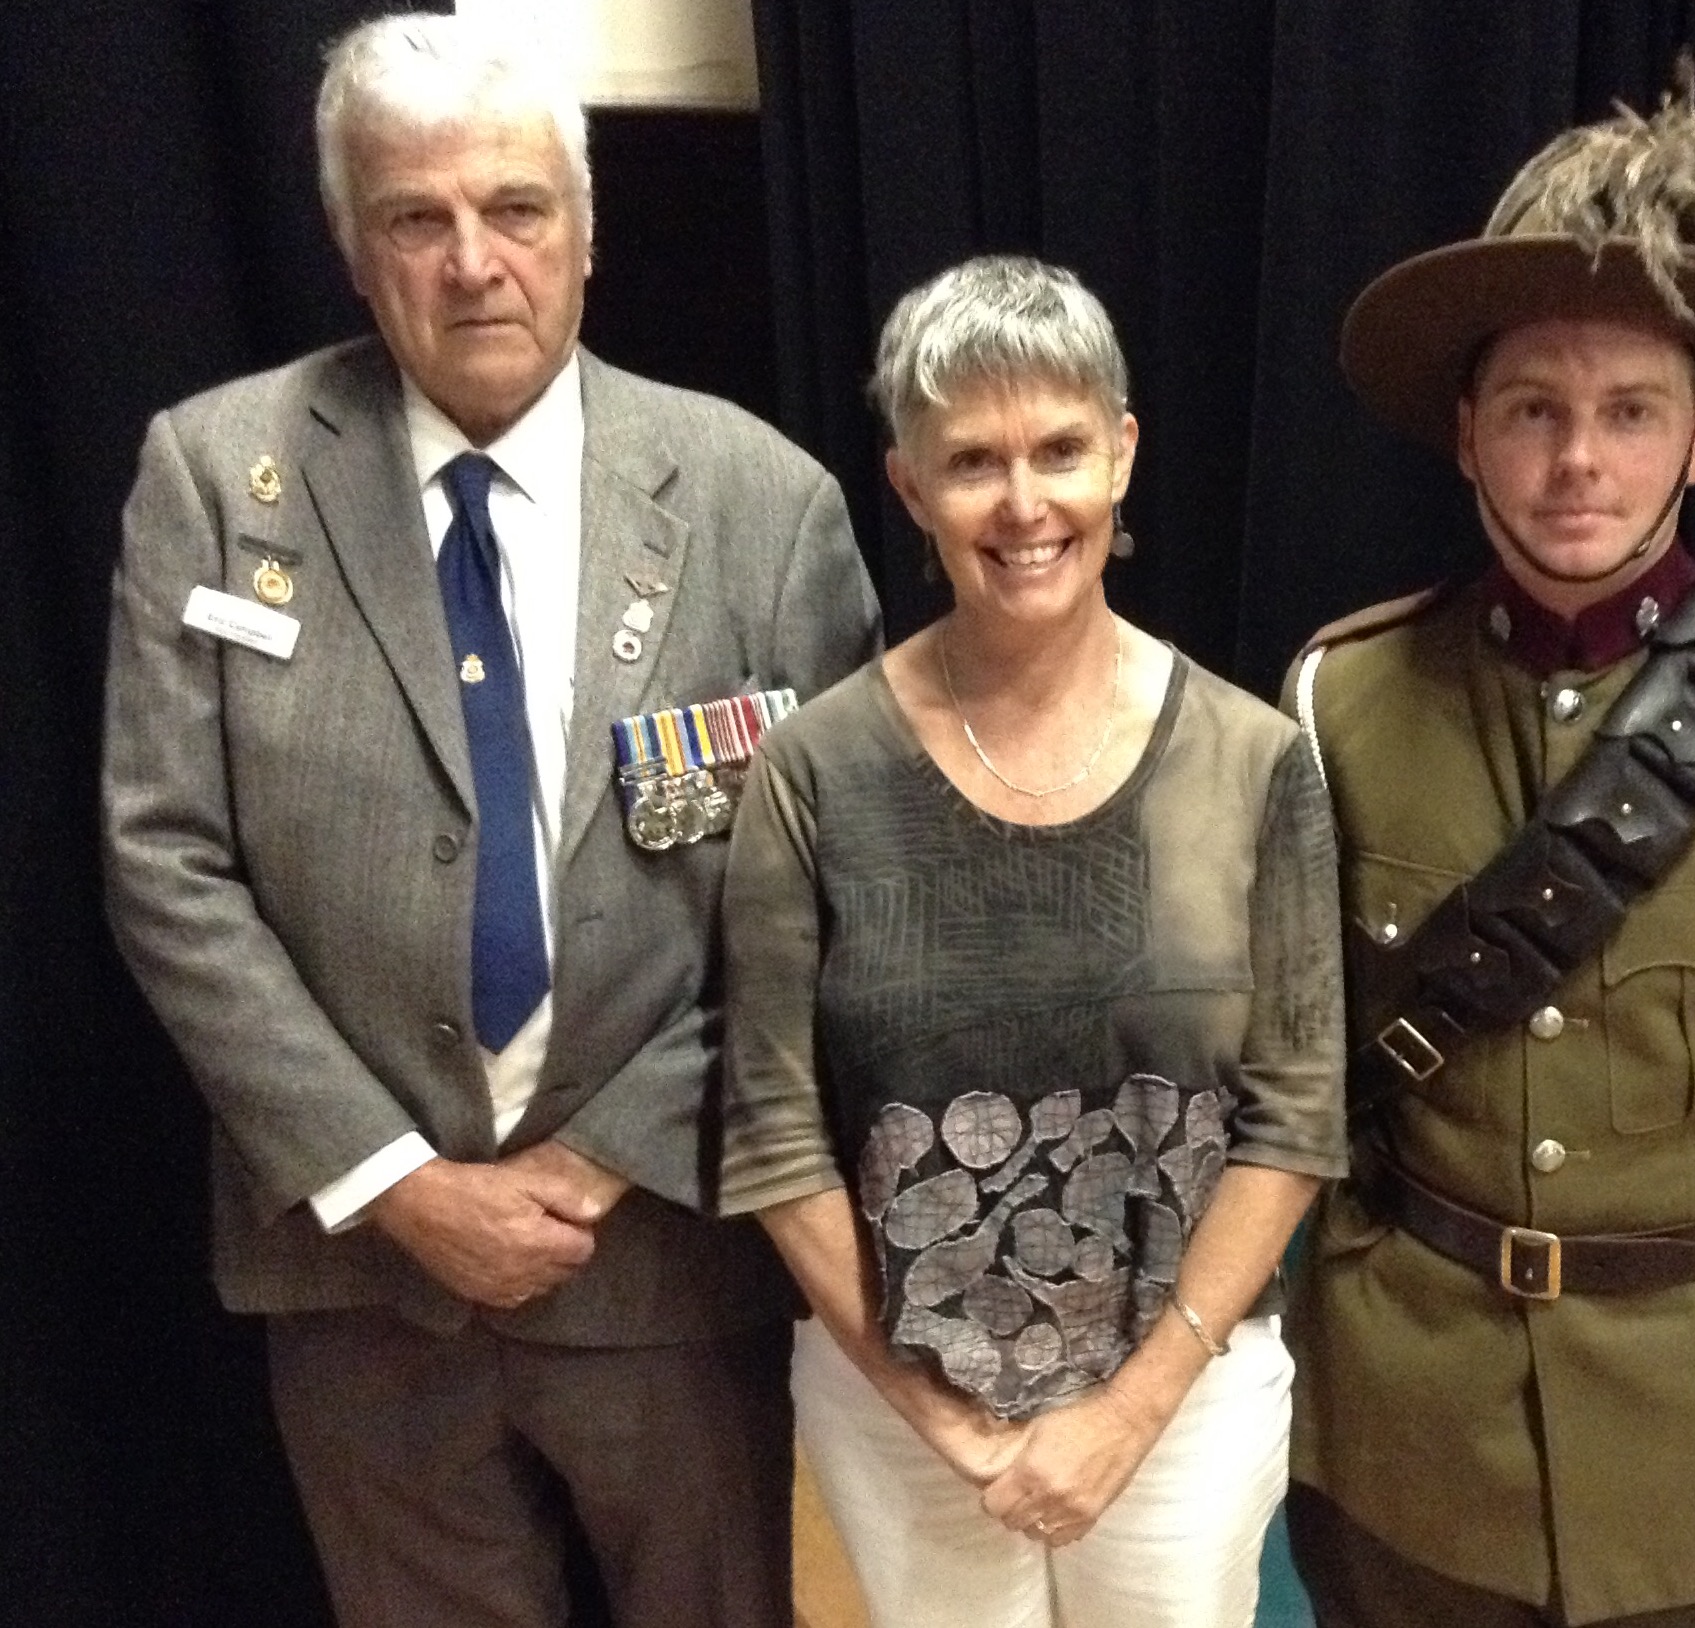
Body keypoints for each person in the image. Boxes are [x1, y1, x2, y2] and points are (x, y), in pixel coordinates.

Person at [101, 15, 878, 1628]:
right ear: (352, 247)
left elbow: (828, 891)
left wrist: (600, 1161)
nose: (473, 263)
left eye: (515, 208)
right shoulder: (216, 475)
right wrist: (393, 1180)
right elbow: (164, 858)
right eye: (417, 217)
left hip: (666, 1257)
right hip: (360, 1279)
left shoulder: (762, 501)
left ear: (584, 232)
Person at [1282, 41, 1695, 1628]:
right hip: (1413, 1427)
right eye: (1533, 409)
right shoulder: (1343, 698)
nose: (1578, 459)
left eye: (1629, 410)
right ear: (1468, 433)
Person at [716, 254, 1346, 1627]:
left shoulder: (1252, 762)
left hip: (1183, 1405)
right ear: (908, 487)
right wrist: (942, 1418)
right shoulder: (815, 772)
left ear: (1123, 455)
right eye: (972, 462)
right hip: (900, 1406)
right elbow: (770, 1129)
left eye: (1059, 450)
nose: (1023, 503)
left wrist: (1129, 1413)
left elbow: (1297, 1116)